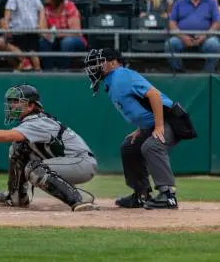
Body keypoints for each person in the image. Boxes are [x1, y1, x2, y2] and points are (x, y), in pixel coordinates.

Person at [84, 47, 197, 210]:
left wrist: (158, 126)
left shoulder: (121, 75)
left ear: (113, 62)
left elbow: (154, 95)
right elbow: (140, 106)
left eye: (99, 63)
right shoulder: (112, 80)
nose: (94, 68)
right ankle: (141, 195)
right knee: (129, 147)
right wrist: (141, 128)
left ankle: (168, 195)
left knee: (152, 146)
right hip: (155, 122)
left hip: (171, 120)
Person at [0, 84, 98, 211]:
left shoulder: (38, 122)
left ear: (30, 106)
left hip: (82, 163)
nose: (11, 105)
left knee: (34, 169)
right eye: (10, 101)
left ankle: (76, 200)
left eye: (16, 101)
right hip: (66, 162)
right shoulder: (30, 121)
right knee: (17, 148)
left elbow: (3, 136)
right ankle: (16, 197)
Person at [165, 0, 220, 72]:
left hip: (205, 37)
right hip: (183, 37)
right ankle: (179, 71)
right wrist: (182, 36)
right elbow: (172, 22)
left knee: (214, 45)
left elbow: (216, 23)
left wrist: (205, 35)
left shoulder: (211, 3)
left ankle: (208, 73)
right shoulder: (179, 3)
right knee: (170, 44)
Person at [0, 0, 45, 71]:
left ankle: (24, 60)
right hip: (33, 29)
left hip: (19, 29)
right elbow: (41, 9)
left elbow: (9, 9)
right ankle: (38, 69)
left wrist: (6, 23)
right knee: (32, 51)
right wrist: (40, 23)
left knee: (13, 46)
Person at [39, 0, 87, 70]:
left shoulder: (69, 6)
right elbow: (43, 30)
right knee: (43, 42)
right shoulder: (45, 8)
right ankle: (48, 72)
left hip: (74, 40)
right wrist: (42, 12)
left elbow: (76, 32)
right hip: (55, 40)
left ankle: (63, 71)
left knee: (67, 42)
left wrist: (57, 34)